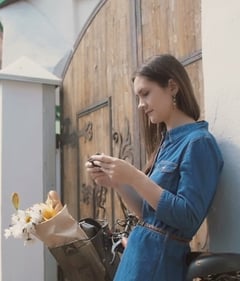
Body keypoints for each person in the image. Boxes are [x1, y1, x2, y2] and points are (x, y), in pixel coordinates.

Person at [85, 54, 223, 281]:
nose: (141, 105)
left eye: (145, 94)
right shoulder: (166, 144)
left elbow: (188, 217)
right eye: (138, 97)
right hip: (139, 257)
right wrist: (117, 182)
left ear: (172, 87)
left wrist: (136, 177)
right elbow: (147, 214)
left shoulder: (198, 143)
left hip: (159, 262)